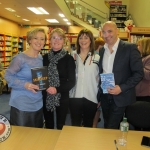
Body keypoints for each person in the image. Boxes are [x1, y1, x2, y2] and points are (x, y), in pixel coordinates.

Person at [98, 21, 143, 129]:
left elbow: (139, 73)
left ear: (117, 31)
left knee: (111, 127)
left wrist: (121, 88)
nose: (106, 35)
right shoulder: (102, 50)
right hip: (105, 95)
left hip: (121, 96)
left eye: (110, 31)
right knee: (106, 125)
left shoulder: (130, 48)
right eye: (104, 32)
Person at [4, 28, 47, 127]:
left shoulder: (41, 58)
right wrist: (25, 84)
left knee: (36, 135)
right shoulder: (20, 58)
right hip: (22, 104)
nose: (39, 41)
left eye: (42, 39)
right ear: (30, 40)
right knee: (21, 137)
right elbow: (8, 75)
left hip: (38, 103)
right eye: (36, 38)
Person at [42, 28, 76, 130]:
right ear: (50, 40)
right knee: (49, 124)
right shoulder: (44, 58)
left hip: (62, 95)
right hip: (46, 94)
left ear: (64, 41)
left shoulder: (68, 59)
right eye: (54, 38)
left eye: (60, 38)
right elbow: (40, 77)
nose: (56, 41)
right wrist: (46, 87)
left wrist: (57, 89)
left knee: (61, 125)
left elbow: (72, 81)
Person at [69, 29, 100, 128]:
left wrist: (100, 98)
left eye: (86, 38)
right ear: (78, 40)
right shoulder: (71, 56)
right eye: (81, 38)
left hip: (91, 97)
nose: (83, 40)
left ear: (91, 40)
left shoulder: (97, 58)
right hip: (74, 97)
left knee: (88, 125)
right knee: (75, 124)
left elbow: (100, 79)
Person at [93, 37, 105, 128]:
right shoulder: (99, 57)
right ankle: (94, 125)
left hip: (96, 85)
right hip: (97, 86)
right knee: (97, 108)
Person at [136, 38, 150, 102]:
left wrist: (136, 66)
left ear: (145, 46)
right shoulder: (142, 58)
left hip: (145, 95)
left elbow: (148, 75)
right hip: (139, 94)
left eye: (139, 45)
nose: (137, 47)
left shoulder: (148, 58)